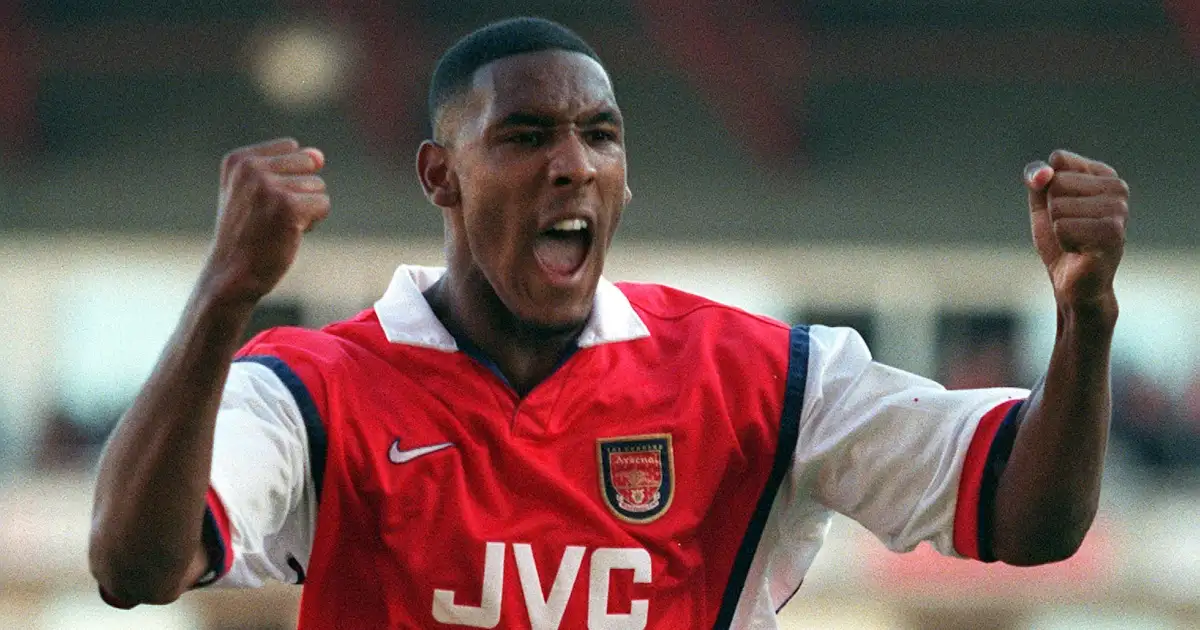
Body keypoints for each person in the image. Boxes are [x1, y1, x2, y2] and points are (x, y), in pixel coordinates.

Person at [88, 17, 1130, 630]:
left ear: (624, 179)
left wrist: (1085, 319)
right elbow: (134, 567)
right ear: (439, 176)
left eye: (600, 135)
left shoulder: (767, 380)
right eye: (527, 135)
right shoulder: (312, 389)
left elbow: (1029, 519)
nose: (572, 163)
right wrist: (224, 294)